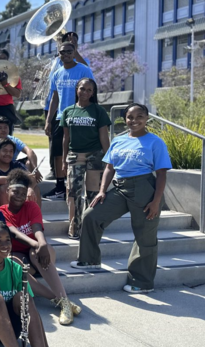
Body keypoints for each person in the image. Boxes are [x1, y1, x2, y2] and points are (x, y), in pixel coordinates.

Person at [71, 103, 172, 294]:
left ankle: (142, 282)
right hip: (119, 187)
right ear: (125, 119)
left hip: (144, 188)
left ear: (147, 118)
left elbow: (161, 174)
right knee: (91, 215)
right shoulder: (118, 140)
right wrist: (102, 191)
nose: (134, 121)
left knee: (145, 235)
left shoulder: (155, 142)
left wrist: (156, 201)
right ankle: (89, 259)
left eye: (139, 116)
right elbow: (109, 167)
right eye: (130, 117)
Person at [0, 169, 80, 326]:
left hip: (40, 256)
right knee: (12, 264)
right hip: (20, 255)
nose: (20, 196)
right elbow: (13, 232)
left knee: (37, 252)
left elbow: (37, 229)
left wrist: (41, 243)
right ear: (8, 189)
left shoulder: (31, 206)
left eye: (23, 193)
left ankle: (63, 302)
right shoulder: (0, 212)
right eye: (16, 192)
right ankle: (61, 301)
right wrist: (36, 244)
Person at [43, 41, 94, 200]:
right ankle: (60, 187)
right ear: (59, 54)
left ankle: (81, 188)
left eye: (69, 51)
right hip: (60, 118)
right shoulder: (57, 73)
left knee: (79, 153)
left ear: (74, 52)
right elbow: (54, 98)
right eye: (62, 52)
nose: (66, 54)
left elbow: (91, 93)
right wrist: (48, 120)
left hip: (79, 117)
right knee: (58, 154)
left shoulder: (83, 70)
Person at [60, 78, 111, 238]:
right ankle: (74, 226)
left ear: (93, 93)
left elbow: (104, 137)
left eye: (89, 90)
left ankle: (90, 227)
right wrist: (63, 159)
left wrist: (109, 160)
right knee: (73, 192)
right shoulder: (68, 111)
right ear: (77, 89)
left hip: (95, 156)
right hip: (74, 156)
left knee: (92, 193)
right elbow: (65, 138)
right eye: (83, 89)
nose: (85, 92)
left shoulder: (98, 111)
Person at [0, 138, 39, 208]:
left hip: (17, 198)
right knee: (5, 188)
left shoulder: (17, 165)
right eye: (5, 151)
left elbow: (32, 178)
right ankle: (7, 217)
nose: (8, 154)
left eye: (11, 151)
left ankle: (34, 217)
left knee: (34, 188)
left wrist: (30, 188)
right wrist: (19, 178)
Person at [0, 117, 41, 182]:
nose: (3, 130)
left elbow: (29, 151)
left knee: (29, 160)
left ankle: (27, 182)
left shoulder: (14, 140)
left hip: (12, 164)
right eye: (0, 128)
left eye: (5, 127)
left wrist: (35, 168)